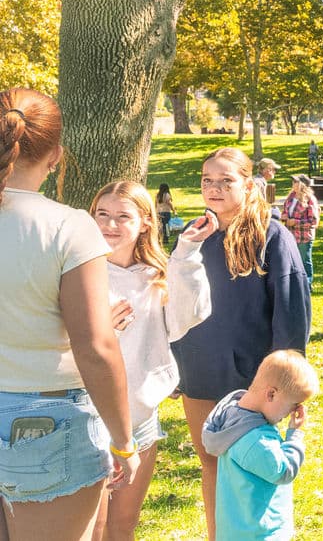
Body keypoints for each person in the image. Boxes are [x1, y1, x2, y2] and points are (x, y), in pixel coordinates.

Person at [0, 88, 139, 540]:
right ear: (56, 154)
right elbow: (96, 347)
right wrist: (124, 441)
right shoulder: (67, 225)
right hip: (45, 422)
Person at [170, 147, 311, 540]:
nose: (214, 189)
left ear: (248, 185)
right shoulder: (193, 236)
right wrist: (172, 367)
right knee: (212, 464)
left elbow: (290, 311)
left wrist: (285, 380)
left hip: (254, 382)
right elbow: (174, 307)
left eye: (225, 180)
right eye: (207, 180)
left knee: (252, 470)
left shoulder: (272, 236)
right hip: (199, 373)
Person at [89, 181, 214, 541]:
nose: (110, 225)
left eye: (122, 217)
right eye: (102, 214)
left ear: (145, 222)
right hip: (90, 419)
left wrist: (188, 251)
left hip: (140, 418)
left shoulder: (157, 277)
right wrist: (96, 332)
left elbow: (188, 316)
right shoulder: (80, 273)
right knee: (92, 529)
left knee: (123, 525)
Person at [202, 350, 319, 541]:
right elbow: (283, 471)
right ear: (271, 394)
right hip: (261, 533)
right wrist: (294, 436)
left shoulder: (234, 417)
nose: (293, 412)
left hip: (237, 530)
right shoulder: (255, 440)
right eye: (293, 404)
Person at [282, 174, 321, 287]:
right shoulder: (291, 196)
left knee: (304, 261)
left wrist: (295, 222)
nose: (293, 184)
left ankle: (307, 285)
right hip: (290, 235)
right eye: (293, 182)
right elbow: (285, 210)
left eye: (295, 182)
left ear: (302, 185)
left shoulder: (310, 200)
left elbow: (313, 221)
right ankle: (295, 285)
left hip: (304, 237)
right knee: (292, 261)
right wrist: (284, 216)